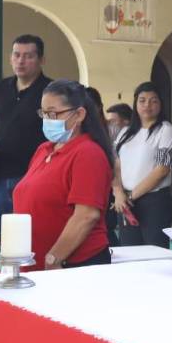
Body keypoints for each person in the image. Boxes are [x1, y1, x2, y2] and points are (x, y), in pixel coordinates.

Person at [12, 80, 114, 270]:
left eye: (53, 113)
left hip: (71, 266)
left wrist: (54, 258)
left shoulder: (88, 153)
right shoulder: (44, 150)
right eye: (43, 113)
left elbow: (86, 215)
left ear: (79, 115)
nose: (47, 119)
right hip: (36, 264)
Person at [0, 35, 51, 221]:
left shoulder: (51, 91)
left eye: (28, 56)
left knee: (33, 237)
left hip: (37, 177)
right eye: (16, 55)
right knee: (6, 239)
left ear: (42, 60)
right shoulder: (1, 88)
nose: (21, 61)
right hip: (1, 177)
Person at [112, 82, 172, 247]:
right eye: (142, 100)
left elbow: (162, 170)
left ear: (161, 104)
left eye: (153, 100)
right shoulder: (125, 132)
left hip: (154, 201)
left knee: (154, 252)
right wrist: (118, 193)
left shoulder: (166, 130)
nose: (147, 105)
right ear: (135, 103)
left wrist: (130, 196)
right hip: (125, 201)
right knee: (129, 252)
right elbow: (115, 166)